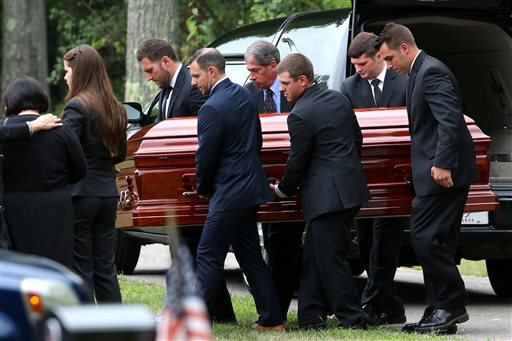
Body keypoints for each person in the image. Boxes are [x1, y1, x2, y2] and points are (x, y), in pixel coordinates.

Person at [375, 23, 478, 334]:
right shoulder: (419, 72)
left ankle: (451, 303)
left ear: (404, 48)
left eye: (390, 59)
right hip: (433, 172)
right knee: (438, 240)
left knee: (423, 235)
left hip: (442, 173)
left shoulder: (431, 72)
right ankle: (439, 311)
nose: (389, 66)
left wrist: (442, 163)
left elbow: (450, 119)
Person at [137, 39, 235, 323]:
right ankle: (221, 314)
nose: (149, 76)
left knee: (190, 252)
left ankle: (177, 312)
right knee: (190, 252)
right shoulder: (166, 93)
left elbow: (206, 134)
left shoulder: (191, 88)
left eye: (150, 69)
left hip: (193, 184)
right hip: (176, 188)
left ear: (166, 61)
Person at [271, 53, 371, 330]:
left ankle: (352, 318)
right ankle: (310, 316)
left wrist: (281, 191)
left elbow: (297, 162)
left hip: (327, 197)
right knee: (316, 255)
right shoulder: (338, 99)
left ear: (302, 80)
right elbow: (357, 140)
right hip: (349, 190)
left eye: (285, 83)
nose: (281, 89)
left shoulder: (300, 115)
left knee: (331, 260)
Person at [189, 47, 284, 331]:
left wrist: (202, 187)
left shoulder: (211, 108)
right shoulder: (244, 95)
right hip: (250, 189)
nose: (193, 83)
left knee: (207, 256)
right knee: (250, 256)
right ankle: (272, 319)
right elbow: (257, 141)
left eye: (195, 76)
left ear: (211, 71)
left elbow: (205, 157)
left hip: (228, 193)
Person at [341, 31, 408, 325]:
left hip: (395, 176)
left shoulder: (403, 82)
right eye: (354, 65)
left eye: (363, 63)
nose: (358, 70)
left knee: (386, 242)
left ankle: (368, 304)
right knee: (367, 242)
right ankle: (392, 308)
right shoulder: (348, 87)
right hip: (364, 176)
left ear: (379, 56)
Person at [62, 44, 127, 303]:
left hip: (80, 193)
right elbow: (120, 155)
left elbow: (65, 150)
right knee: (105, 266)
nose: (65, 77)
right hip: (107, 194)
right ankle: (115, 326)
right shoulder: (116, 107)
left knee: (81, 267)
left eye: (67, 71)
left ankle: (86, 327)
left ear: (80, 72)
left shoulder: (77, 106)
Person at [244, 40, 303, 321]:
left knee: (291, 245)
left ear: (273, 66)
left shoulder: (297, 92)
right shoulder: (248, 94)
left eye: (255, 70)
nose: (251, 76)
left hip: (298, 176)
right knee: (274, 242)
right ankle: (276, 307)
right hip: (267, 181)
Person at [2, 77, 87, 266]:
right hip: (55, 205)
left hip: (13, 206)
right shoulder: (60, 128)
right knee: (55, 265)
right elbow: (80, 169)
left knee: (18, 265)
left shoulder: (5, 130)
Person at [136, 38, 206, 121]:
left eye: (150, 71)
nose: (149, 78)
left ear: (166, 61)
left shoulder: (194, 85)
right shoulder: (165, 84)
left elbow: (203, 128)